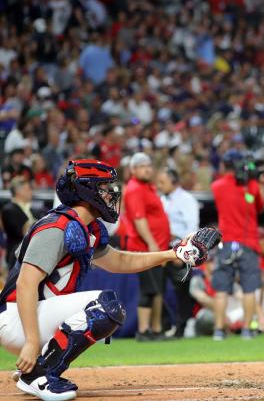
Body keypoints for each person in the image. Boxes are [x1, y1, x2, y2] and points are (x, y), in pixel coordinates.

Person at [0, 160, 206, 400]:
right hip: (15, 318)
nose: (111, 194)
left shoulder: (85, 228)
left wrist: (173, 253)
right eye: (104, 187)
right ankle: (39, 375)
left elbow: (121, 262)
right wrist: (31, 342)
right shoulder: (57, 226)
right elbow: (26, 284)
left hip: (32, 315)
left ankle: (37, 367)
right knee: (105, 306)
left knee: (106, 306)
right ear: (86, 190)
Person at [210, 151, 264, 340]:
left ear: (225, 165)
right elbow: (260, 204)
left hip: (226, 243)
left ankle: (218, 330)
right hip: (248, 243)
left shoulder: (217, 186)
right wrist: (255, 180)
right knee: (249, 288)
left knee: (221, 289)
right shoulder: (252, 186)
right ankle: (247, 330)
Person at [120, 153, 171, 341]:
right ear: (133, 170)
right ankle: (143, 331)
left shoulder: (147, 187)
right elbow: (139, 219)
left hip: (155, 246)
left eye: (148, 165)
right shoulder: (135, 189)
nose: (147, 169)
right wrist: (151, 243)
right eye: (141, 166)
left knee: (157, 289)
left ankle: (155, 330)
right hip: (144, 247)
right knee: (149, 290)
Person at [156, 168, 200, 338]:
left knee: (181, 291)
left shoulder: (187, 200)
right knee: (157, 288)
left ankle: (182, 328)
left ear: (173, 181)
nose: (160, 186)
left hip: (180, 249)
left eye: (163, 182)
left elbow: (192, 228)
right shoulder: (162, 199)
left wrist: (182, 251)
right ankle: (166, 325)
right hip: (162, 249)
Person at [1, 177, 36, 271]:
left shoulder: (30, 209)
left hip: (31, 254)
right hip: (16, 256)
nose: (31, 192)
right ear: (19, 191)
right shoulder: (9, 210)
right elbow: (21, 232)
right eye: (28, 189)